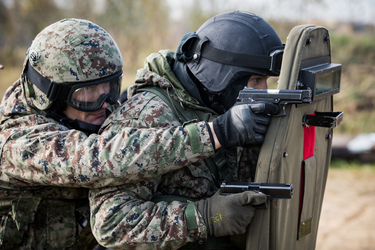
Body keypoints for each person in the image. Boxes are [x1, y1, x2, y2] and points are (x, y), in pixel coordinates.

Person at [0, 18, 270, 250]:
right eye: (87, 95)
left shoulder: (88, 113)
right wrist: (215, 133)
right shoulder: (18, 142)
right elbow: (100, 158)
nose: (105, 104)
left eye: (110, 87)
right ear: (50, 95)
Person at [89, 11, 282, 249]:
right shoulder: (146, 116)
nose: (263, 91)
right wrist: (203, 217)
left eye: (266, 81)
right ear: (220, 76)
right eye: (255, 80)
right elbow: (111, 223)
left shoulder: (223, 108)